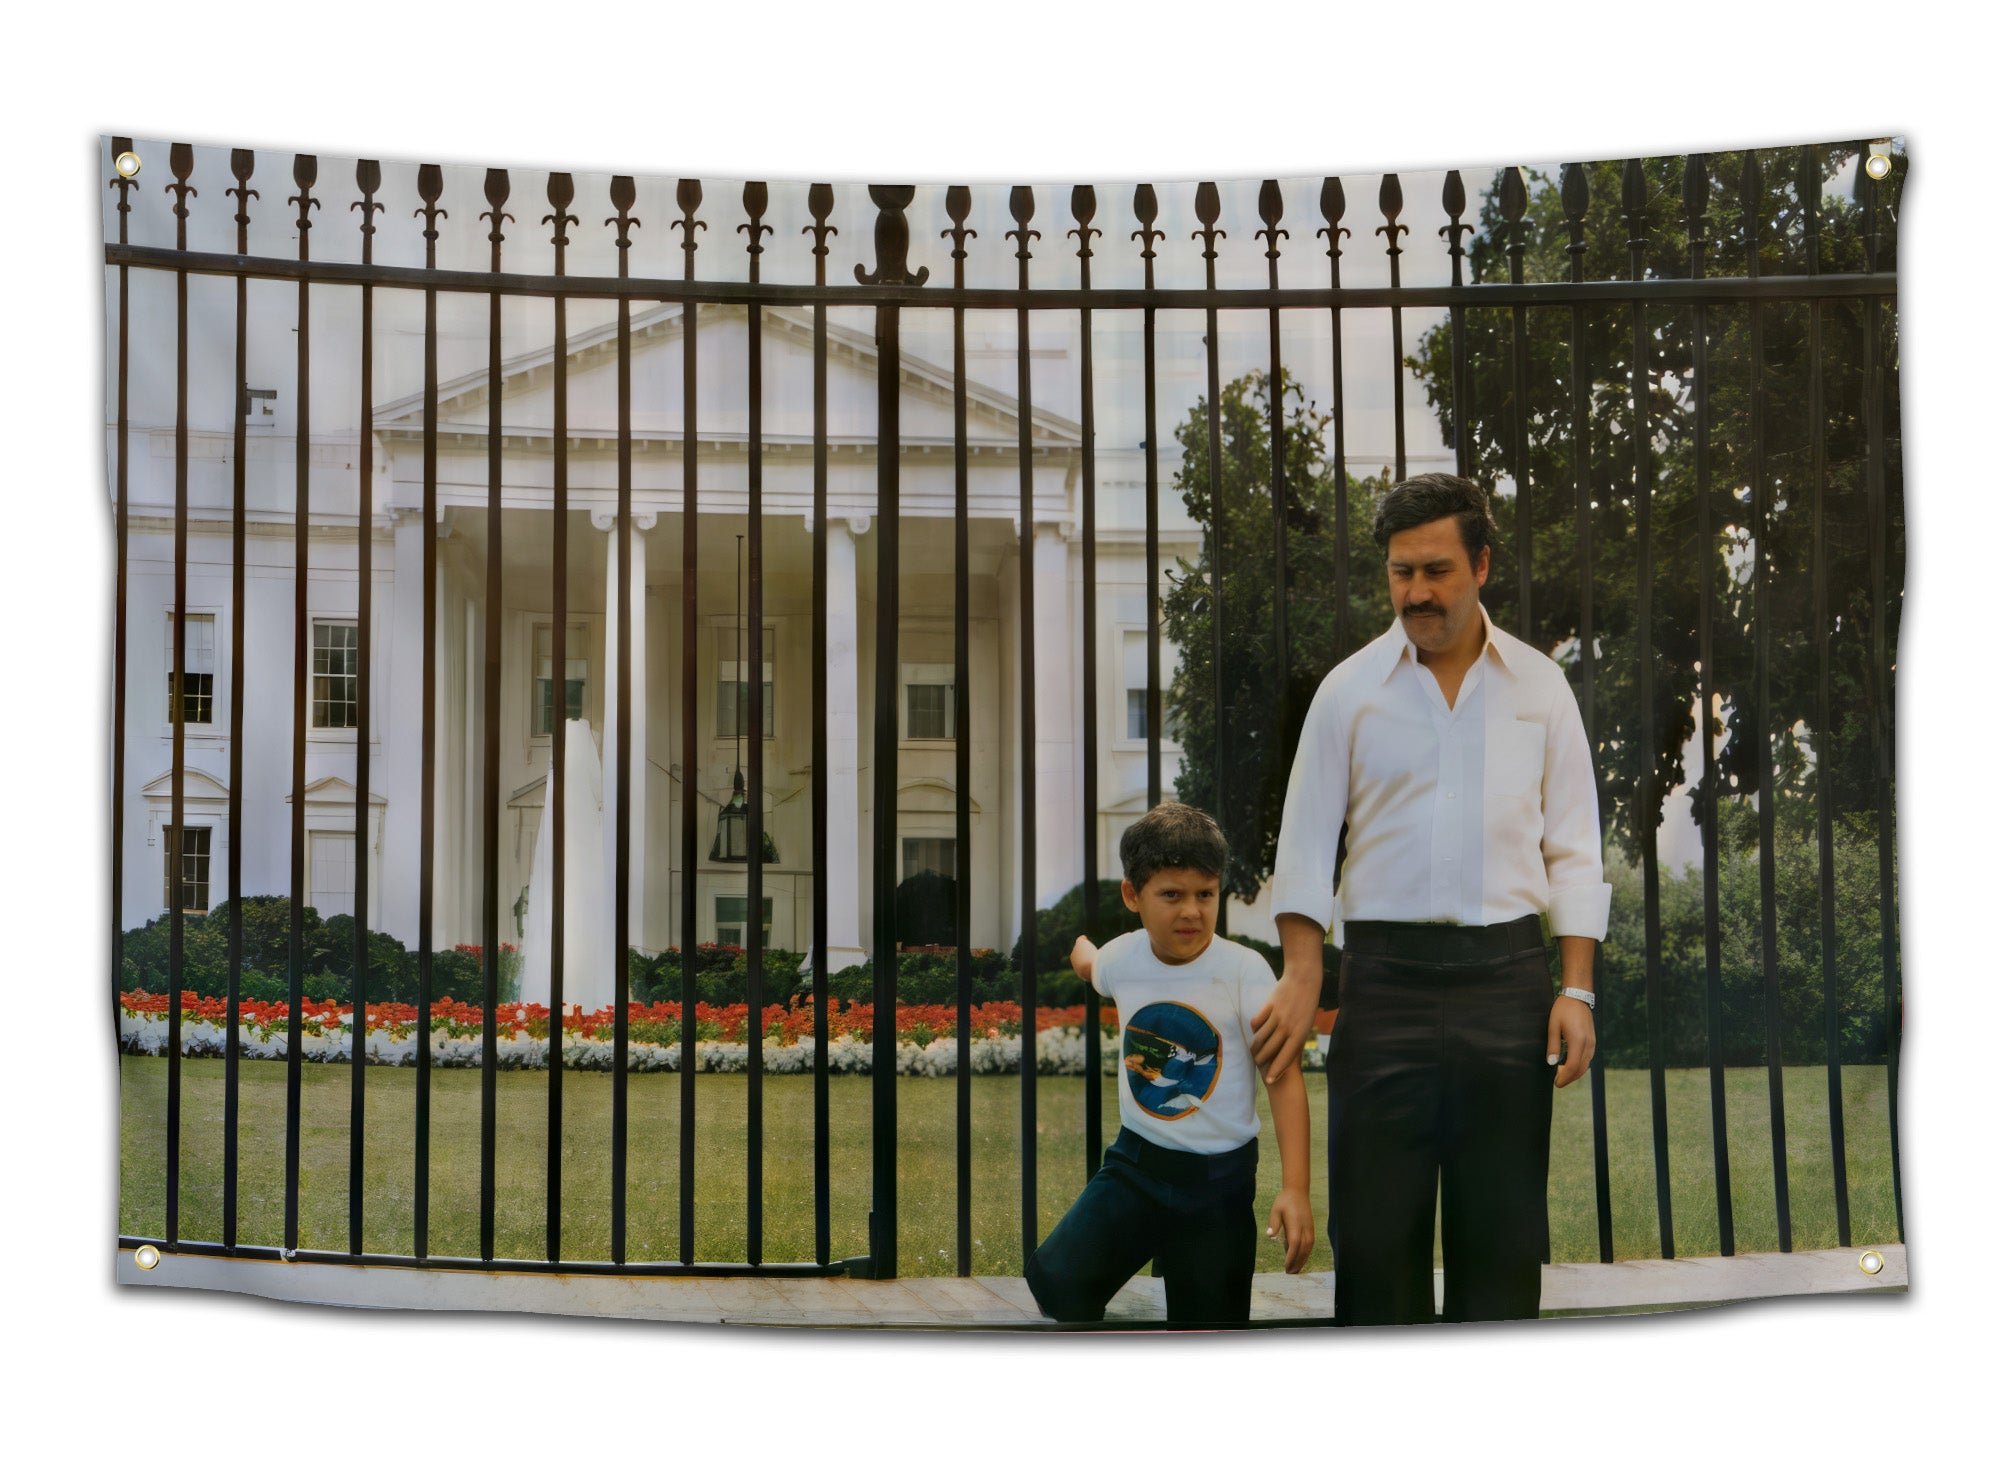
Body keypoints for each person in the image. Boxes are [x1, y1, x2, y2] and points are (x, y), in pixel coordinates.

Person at [1251, 473, 1611, 1325]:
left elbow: (1574, 846)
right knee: (1375, 1253)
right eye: (1402, 571)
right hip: (1384, 993)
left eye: (1437, 570)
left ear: (1481, 565)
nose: (1417, 591)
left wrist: (1576, 988)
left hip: (1509, 989)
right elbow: (1305, 842)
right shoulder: (1348, 692)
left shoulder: (1540, 688)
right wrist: (1303, 970)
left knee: (1502, 1252)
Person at [1024, 801, 1313, 1327]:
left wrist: (1295, 1189)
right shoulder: (1124, 957)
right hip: (1137, 1167)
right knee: (1056, 1285)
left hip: (1219, 1185)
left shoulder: (1244, 972)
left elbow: (1282, 1076)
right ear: (1132, 896)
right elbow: (1092, 965)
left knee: (1209, 1331)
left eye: (1206, 894)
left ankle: (1186, 1261)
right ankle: (1145, 1240)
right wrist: (1081, 948)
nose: (1192, 911)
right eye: (1172, 895)